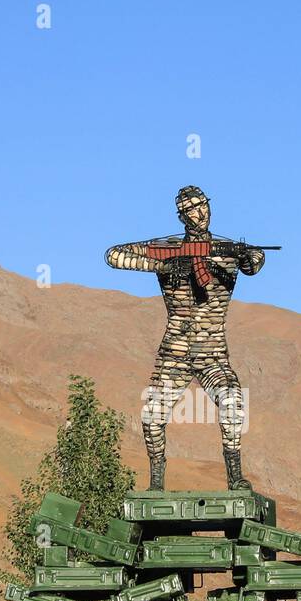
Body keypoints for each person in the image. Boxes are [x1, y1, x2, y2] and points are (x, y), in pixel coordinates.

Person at [105, 186, 266, 491]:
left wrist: (242, 257)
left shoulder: (226, 251)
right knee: (152, 417)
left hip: (213, 353)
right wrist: (163, 264)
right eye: (192, 208)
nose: (201, 212)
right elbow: (114, 255)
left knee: (232, 401)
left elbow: (255, 261)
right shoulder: (167, 248)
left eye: (203, 205)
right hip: (174, 353)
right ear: (182, 216)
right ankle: (156, 484)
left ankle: (235, 478)